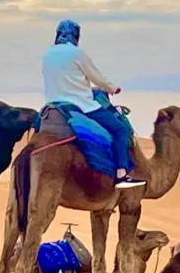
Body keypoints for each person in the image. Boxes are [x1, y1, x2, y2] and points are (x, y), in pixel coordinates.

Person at [42, 19, 143, 189]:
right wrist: (112, 88)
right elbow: (96, 77)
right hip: (80, 105)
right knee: (120, 130)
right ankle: (121, 174)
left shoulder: (48, 54)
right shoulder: (77, 53)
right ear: (76, 36)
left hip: (53, 104)